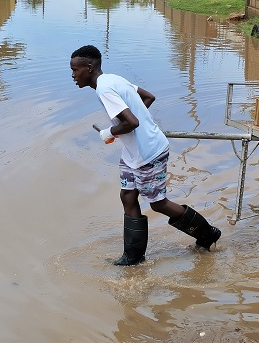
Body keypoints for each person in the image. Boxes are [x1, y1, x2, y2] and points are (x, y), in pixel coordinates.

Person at [69, 45, 220, 266]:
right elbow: (148, 98)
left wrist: (109, 131)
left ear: (89, 68)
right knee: (128, 196)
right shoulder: (113, 79)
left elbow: (132, 122)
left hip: (149, 153)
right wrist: (128, 129)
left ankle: (208, 234)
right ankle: (133, 257)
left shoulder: (104, 89)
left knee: (158, 203)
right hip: (133, 153)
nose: (73, 75)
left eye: (75, 70)